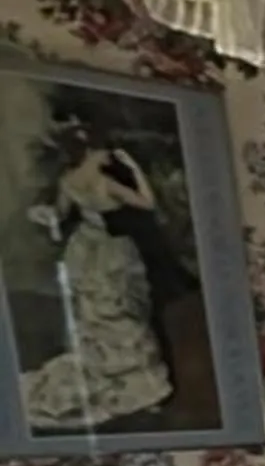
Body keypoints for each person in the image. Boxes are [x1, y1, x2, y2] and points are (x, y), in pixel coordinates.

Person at [21, 128, 175, 431]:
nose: (108, 154)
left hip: (83, 247)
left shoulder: (69, 180)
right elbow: (148, 202)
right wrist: (133, 168)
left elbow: (60, 213)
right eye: (104, 149)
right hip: (108, 250)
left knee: (98, 314)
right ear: (92, 151)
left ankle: (112, 371)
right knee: (121, 315)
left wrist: (43, 214)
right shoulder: (106, 183)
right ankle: (139, 386)